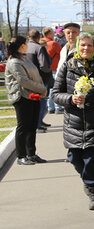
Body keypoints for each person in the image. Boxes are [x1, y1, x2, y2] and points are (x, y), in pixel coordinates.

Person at [52, 33, 94, 210]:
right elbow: (55, 94)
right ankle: (89, 182)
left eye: (89, 45)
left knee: (92, 159)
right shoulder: (67, 67)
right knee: (74, 158)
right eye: (83, 45)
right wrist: (71, 99)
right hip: (74, 122)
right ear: (77, 47)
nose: (86, 48)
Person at [5, 36, 47, 166]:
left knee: (32, 126)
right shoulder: (14, 62)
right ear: (21, 45)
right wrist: (41, 88)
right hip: (22, 97)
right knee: (23, 127)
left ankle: (31, 154)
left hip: (33, 96)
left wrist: (40, 90)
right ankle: (21, 156)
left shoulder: (24, 58)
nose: (28, 45)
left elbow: (35, 75)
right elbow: (23, 81)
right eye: (25, 43)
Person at [26, 30, 53, 132]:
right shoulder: (39, 48)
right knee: (41, 102)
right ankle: (38, 124)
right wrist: (49, 70)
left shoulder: (25, 47)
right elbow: (44, 65)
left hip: (27, 79)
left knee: (31, 103)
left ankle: (38, 122)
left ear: (29, 36)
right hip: (40, 79)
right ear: (38, 37)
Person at [43, 27, 62, 114]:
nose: (54, 34)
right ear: (49, 34)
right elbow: (61, 53)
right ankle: (57, 107)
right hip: (54, 68)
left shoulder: (40, 42)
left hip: (44, 69)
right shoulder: (53, 43)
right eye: (52, 32)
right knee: (55, 88)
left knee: (47, 88)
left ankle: (50, 107)